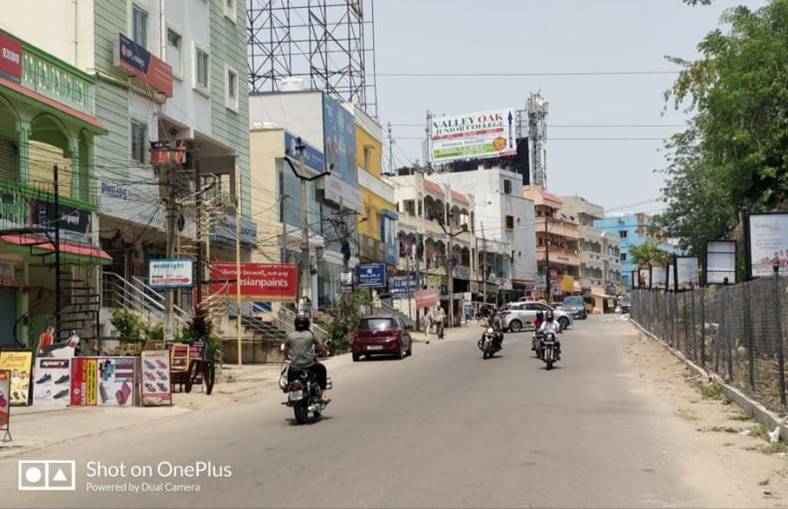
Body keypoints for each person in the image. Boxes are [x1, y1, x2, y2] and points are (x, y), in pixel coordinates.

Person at [283, 315, 329, 401]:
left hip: (295, 365)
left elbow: (285, 351)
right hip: (309, 364)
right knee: (322, 369)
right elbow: (320, 347)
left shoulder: (290, 336)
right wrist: (325, 353)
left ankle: (289, 390)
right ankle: (323, 392)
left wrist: (287, 357)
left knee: (289, 372)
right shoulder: (310, 335)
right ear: (307, 324)